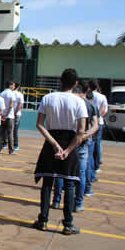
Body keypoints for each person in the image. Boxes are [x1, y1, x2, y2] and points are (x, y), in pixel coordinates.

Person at [33, 68, 87, 235]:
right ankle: (68, 224)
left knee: (47, 182)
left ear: (60, 81)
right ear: (75, 84)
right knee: (69, 184)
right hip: (70, 142)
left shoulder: (48, 98)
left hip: (51, 142)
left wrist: (55, 145)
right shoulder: (79, 101)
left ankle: (43, 220)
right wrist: (68, 150)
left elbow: (40, 124)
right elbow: (81, 131)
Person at [51, 84, 99, 213]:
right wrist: (84, 136)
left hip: (67, 140)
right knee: (81, 173)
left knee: (60, 172)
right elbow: (95, 126)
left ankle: (56, 201)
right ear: (85, 92)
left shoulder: (68, 102)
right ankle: (78, 204)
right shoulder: (90, 105)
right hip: (82, 142)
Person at [87, 79, 107, 175]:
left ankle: (90, 165)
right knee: (97, 144)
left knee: (90, 144)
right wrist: (99, 118)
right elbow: (104, 110)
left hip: (89, 122)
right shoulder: (102, 97)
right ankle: (97, 166)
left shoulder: (87, 95)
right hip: (99, 122)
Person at [0, 80, 17, 155]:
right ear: (10, 86)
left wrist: (2, 115)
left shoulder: (1, 93)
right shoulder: (12, 93)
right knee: (10, 133)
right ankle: (11, 149)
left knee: (1, 133)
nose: (14, 87)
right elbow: (11, 105)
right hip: (9, 116)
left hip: (2, 115)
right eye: (13, 85)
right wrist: (7, 114)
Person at [13, 82, 24, 151]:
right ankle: (15, 145)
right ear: (18, 87)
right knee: (15, 130)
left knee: (7, 130)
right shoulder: (20, 94)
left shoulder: (10, 93)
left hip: (9, 114)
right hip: (17, 114)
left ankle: (4, 143)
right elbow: (21, 105)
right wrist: (15, 112)